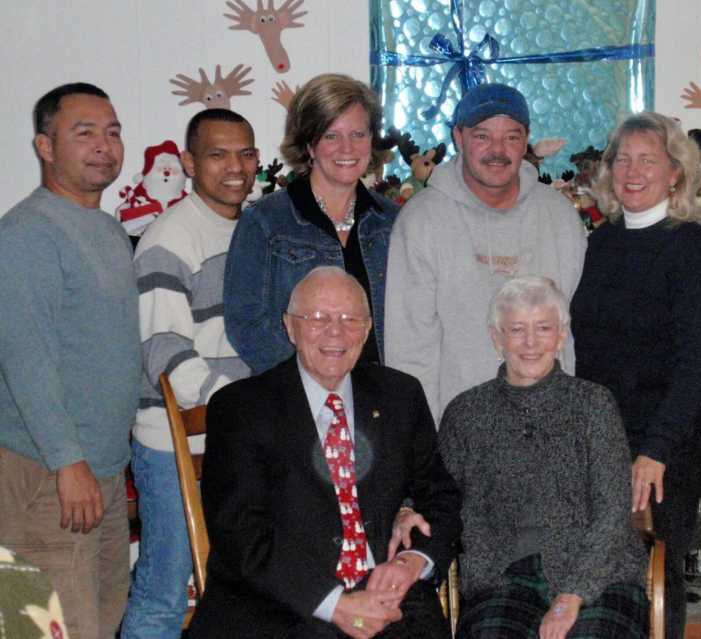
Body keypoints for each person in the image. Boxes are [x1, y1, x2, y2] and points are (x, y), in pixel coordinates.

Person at [189, 267, 462, 639]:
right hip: (280, 604)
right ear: (290, 326)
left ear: (367, 330)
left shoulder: (399, 395)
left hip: (386, 594)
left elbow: (441, 497)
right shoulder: (241, 408)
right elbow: (241, 534)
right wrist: (336, 604)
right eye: (317, 318)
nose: (335, 332)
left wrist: (413, 562)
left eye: (350, 319)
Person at [569, 113, 701, 639]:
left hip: (660, 451)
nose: (633, 172)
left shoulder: (691, 247)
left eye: (648, 160)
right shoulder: (600, 243)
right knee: (598, 573)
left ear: (675, 173)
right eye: (623, 160)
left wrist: (655, 449)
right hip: (598, 442)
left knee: (654, 578)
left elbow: (697, 363)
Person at [0, 83, 141, 639]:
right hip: (47, 474)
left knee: (100, 623)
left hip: (99, 472)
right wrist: (67, 463)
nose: (104, 144)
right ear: (44, 146)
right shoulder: (27, 234)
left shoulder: (106, 229)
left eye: (112, 131)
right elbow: (24, 357)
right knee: (48, 628)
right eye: (84, 132)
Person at [439, 276, 648, 639]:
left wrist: (572, 596)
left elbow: (613, 511)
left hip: (598, 577)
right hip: (501, 578)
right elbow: (438, 494)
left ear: (562, 335)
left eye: (543, 328)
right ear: (496, 338)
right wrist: (409, 509)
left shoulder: (593, 405)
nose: (531, 342)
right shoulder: (466, 413)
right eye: (516, 329)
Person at [120, 109, 259, 639]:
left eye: (245, 153)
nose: (235, 167)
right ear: (188, 163)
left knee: (233, 589)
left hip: (231, 437)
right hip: (173, 441)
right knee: (164, 588)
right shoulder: (169, 238)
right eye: (218, 154)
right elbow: (166, 353)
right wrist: (249, 410)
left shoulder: (253, 227)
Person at [385, 83, 587, 421]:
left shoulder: (560, 217)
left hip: (550, 429)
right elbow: (409, 349)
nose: (498, 150)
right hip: (459, 432)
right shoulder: (422, 221)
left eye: (511, 137)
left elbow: (568, 335)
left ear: (526, 142)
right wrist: (426, 443)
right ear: (458, 137)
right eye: (482, 136)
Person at [224, 73, 398, 375]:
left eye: (358, 134)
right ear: (309, 144)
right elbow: (246, 325)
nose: (347, 148)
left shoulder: (393, 223)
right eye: (331, 135)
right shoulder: (265, 222)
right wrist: (314, 384)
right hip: (293, 402)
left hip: (379, 399)